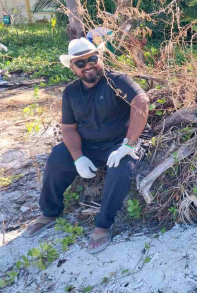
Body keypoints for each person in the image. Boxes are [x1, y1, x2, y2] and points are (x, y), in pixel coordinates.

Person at [23, 38, 150, 254]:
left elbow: (141, 101)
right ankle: (50, 212)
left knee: (122, 169)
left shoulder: (117, 80)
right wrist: (78, 157)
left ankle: (102, 226)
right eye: (80, 63)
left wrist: (128, 145)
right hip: (90, 146)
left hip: (121, 144)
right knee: (57, 156)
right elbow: (69, 128)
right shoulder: (71, 92)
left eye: (92, 59)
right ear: (72, 67)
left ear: (100, 58)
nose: (88, 65)